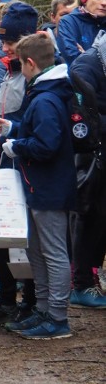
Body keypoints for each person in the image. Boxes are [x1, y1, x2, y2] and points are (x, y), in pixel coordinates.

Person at [0, 32, 75, 339]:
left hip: (49, 188)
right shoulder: (44, 94)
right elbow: (41, 131)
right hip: (40, 186)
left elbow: (47, 144)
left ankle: (57, 316)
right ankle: (44, 309)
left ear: (30, 63)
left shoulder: (45, 98)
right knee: (37, 250)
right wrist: (13, 127)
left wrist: (17, 146)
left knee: (53, 252)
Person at [0, 2, 41, 326]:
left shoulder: (32, 76)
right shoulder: (9, 70)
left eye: (10, 40)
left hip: (22, 171)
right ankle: (5, 301)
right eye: (2, 39)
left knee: (24, 239)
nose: (4, 46)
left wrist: (12, 129)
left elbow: (31, 122)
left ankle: (29, 302)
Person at [68, 31, 106, 307]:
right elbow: (82, 112)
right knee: (90, 214)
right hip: (89, 155)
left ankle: (92, 273)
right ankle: (81, 281)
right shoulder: (87, 65)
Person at [56, 0, 106, 65]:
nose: (104, 2)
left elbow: (83, 61)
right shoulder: (68, 23)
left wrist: (86, 57)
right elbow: (75, 61)